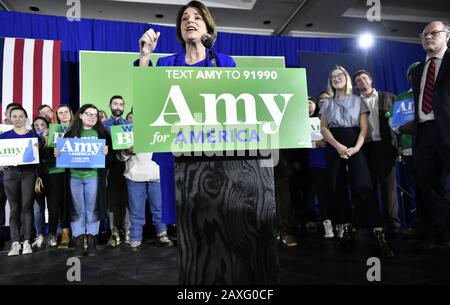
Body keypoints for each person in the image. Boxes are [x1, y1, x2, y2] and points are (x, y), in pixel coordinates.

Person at [137, 0, 236, 226]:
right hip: (175, 154)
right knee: (185, 225)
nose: (190, 21)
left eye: (197, 17)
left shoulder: (223, 63)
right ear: (180, 30)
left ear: (208, 28)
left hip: (216, 155)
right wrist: (144, 56)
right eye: (185, 19)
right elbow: (146, 100)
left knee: (217, 223)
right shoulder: (165, 64)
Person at [319, 66, 394, 257]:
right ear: (330, 81)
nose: (336, 78)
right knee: (338, 189)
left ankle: (377, 234)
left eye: (340, 75)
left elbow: (363, 129)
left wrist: (356, 148)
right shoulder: (327, 103)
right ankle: (346, 233)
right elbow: (324, 128)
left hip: (355, 145)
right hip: (334, 146)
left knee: (364, 187)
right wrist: (337, 146)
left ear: (346, 78)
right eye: (333, 76)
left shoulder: (358, 100)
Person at [409, 20, 450, 250]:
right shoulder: (417, 71)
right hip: (424, 132)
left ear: (447, 35)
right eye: (424, 34)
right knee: (431, 186)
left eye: (434, 33)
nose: (428, 37)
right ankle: (440, 235)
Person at [55, 104, 111, 257]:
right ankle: (79, 242)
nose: (92, 117)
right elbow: (63, 157)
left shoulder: (102, 133)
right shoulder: (70, 134)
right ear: (80, 115)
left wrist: (107, 153)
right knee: (77, 210)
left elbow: (111, 158)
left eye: (95, 114)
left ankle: (92, 242)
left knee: (92, 210)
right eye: (89, 114)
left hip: (93, 177)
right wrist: (58, 152)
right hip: (74, 178)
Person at [353, 70, 401, 233]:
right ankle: (374, 225)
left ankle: (393, 225)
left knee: (389, 188)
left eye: (364, 78)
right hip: (364, 149)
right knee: (368, 188)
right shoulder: (353, 102)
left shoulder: (389, 97)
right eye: (358, 80)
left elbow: (400, 123)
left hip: (386, 147)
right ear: (355, 85)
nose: (362, 81)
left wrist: (399, 147)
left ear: (371, 80)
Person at [0, 106, 40, 256]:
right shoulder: (4, 137)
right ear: (10, 118)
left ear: (25, 118)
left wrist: (38, 148)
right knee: (14, 208)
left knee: (27, 207)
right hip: (10, 174)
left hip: (28, 174)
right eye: (14, 116)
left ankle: (27, 241)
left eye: (21, 116)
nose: (17, 118)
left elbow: (39, 158)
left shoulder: (33, 136)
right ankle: (15, 242)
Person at [103, 95, 131, 247]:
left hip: (127, 165)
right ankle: (114, 231)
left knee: (127, 199)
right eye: (115, 104)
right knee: (112, 200)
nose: (118, 107)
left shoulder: (129, 124)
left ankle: (127, 230)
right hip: (110, 167)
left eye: (121, 104)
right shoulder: (102, 125)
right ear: (110, 105)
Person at [31, 117, 51, 248]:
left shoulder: (53, 137)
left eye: (42, 124)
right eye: (36, 125)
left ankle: (55, 233)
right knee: (38, 209)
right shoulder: (30, 138)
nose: (39, 126)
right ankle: (40, 234)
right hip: (36, 177)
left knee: (54, 207)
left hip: (51, 175)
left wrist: (46, 141)